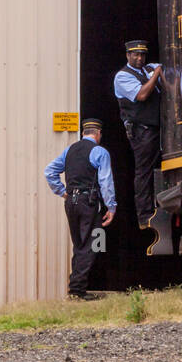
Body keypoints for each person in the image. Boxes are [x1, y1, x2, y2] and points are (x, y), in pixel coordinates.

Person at [44, 118, 116, 300]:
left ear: (83, 133)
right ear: (98, 134)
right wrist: (111, 207)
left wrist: (62, 192)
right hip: (88, 202)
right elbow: (106, 182)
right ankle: (77, 290)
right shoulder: (99, 151)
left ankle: (76, 287)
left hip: (71, 203)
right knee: (93, 244)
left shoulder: (69, 150)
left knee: (79, 244)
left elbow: (49, 171)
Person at [114, 40, 162, 229]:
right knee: (144, 172)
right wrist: (156, 74)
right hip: (142, 130)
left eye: (142, 55)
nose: (140, 58)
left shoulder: (147, 70)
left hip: (155, 128)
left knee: (157, 169)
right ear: (128, 55)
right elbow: (141, 95)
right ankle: (144, 215)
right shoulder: (122, 76)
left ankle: (159, 206)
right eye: (136, 55)